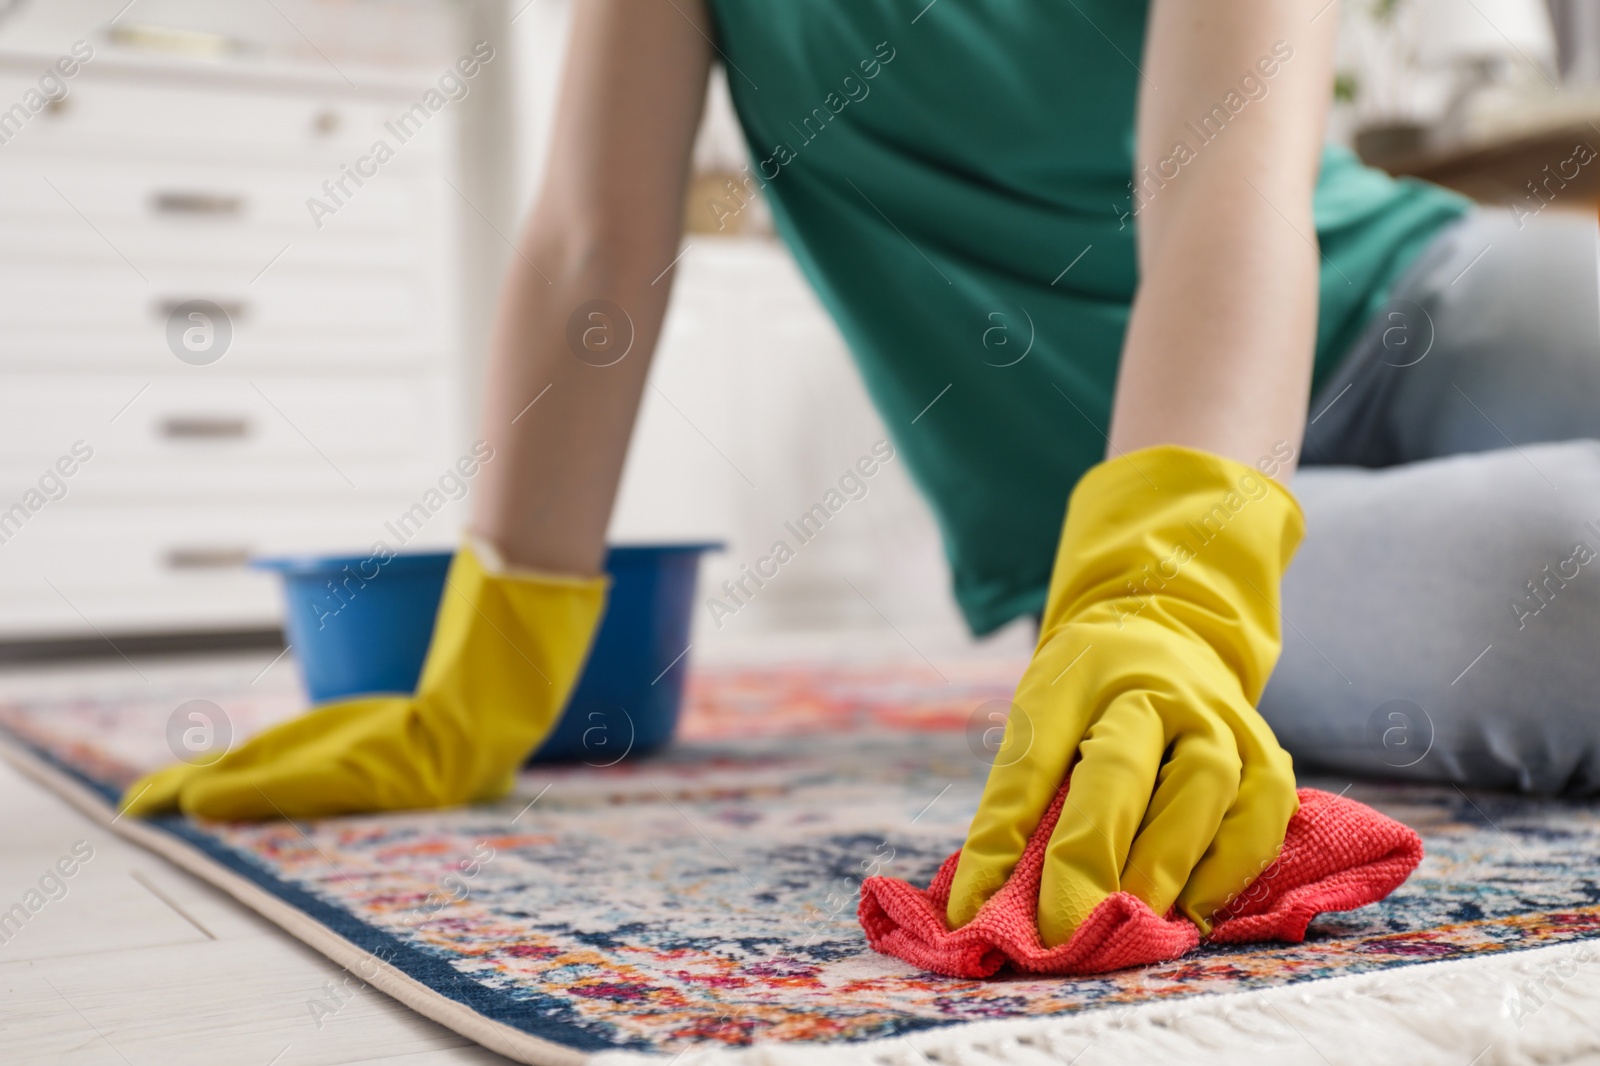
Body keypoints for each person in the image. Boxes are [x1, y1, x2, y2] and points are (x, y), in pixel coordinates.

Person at [124, 0, 1600, 946]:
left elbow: (1223, 179)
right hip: (1103, 520)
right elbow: (594, 242)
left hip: (1406, 295)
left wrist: (1184, 577)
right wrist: (485, 671)